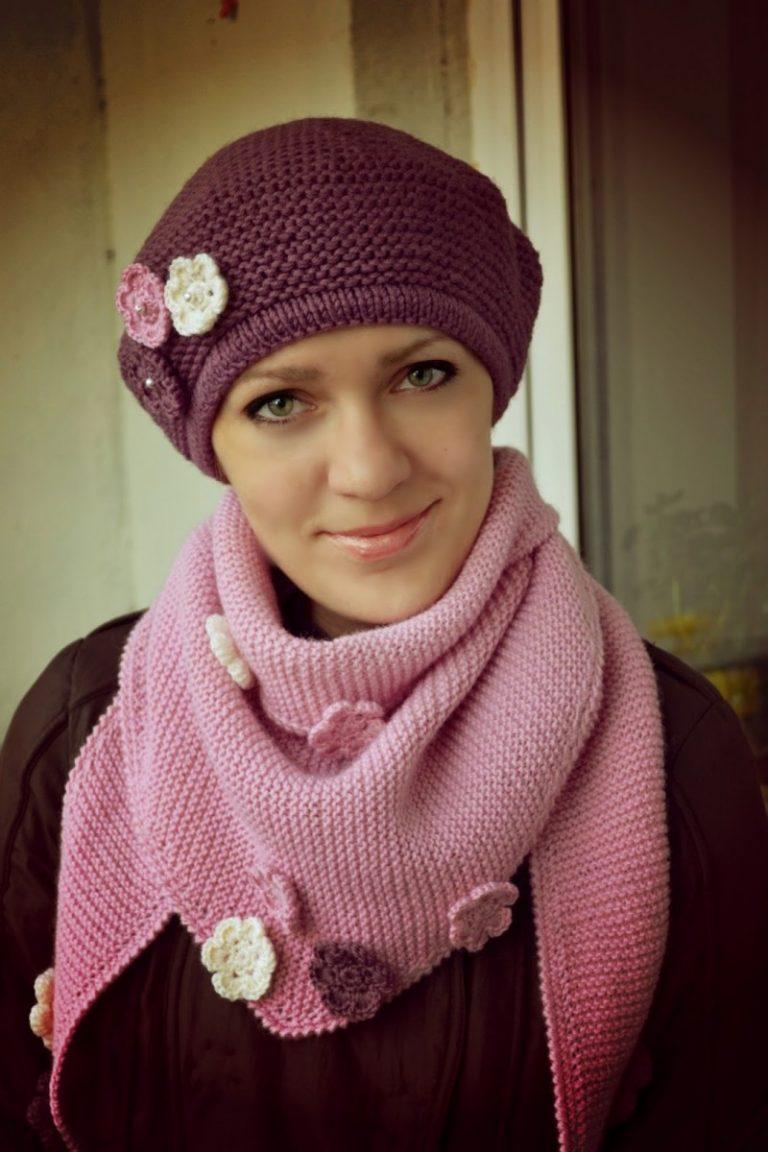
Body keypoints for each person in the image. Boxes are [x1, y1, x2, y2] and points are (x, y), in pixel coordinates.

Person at [1, 117, 766, 1152]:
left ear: (493, 382)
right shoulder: (84, 726)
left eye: (422, 375)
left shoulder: (677, 757)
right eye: (281, 402)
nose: (368, 470)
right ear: (211, 441)